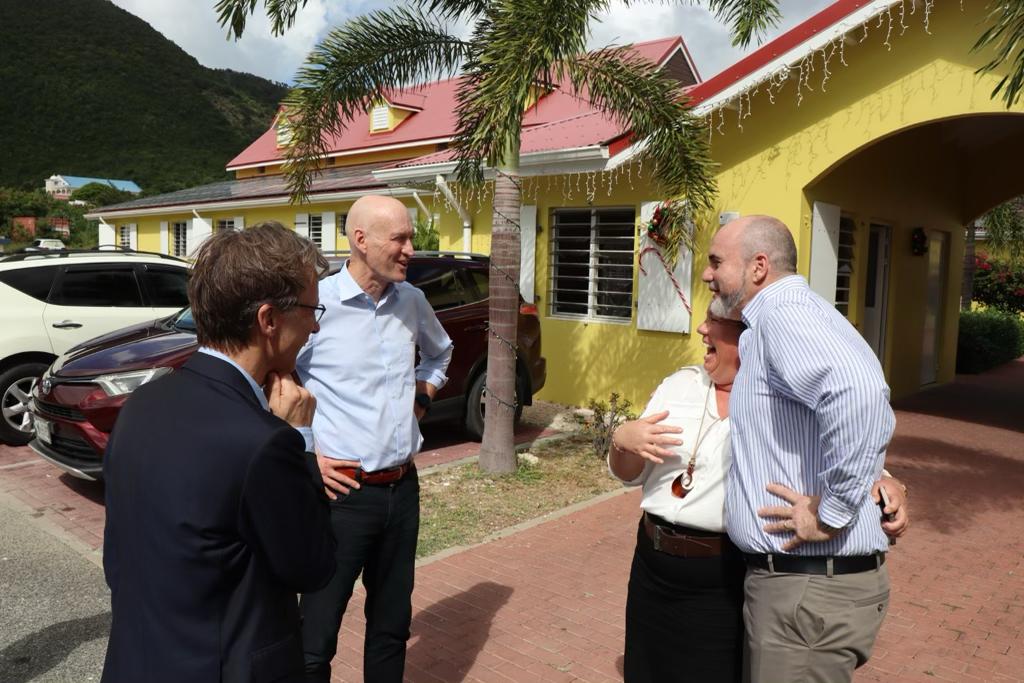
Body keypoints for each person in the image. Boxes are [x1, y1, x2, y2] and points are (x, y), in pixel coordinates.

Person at [609, 308, 907, 682]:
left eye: (714, 322)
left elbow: (846, 450)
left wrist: (885, 481)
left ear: (748, 337)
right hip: (652, 567)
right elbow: (629, 472)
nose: (701, 329)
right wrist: (621, 440)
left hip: (724, 576)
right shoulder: (679, 385)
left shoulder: (781, 399)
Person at [101, 222, 337, 683]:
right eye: (312, 309)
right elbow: (312, 567)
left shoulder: (141, 403)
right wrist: (300, 437)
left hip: (138, 660)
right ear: (269, 320)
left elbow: (124, 555)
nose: (315, 324)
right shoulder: (265, 441)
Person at [702, 214, 898, 682]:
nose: (707, 274)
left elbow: (859, 395)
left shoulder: (785, 316)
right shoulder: (781, 318)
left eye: (716, 262)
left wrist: (831, 512)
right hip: (801, 588)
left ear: (758, 267)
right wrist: (881, 479)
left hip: (807, 588)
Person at [297, 195, 454, 683]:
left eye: (411, 238)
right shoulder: (317, 304)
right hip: (342, 496)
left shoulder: (413, 300)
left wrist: (421, 401)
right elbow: (272, 380)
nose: (410, 249)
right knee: (314, 638)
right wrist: (306, 453)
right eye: (400, 238)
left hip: (403, 491)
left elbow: (440, 354)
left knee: (391, 628)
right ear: (361, 240)